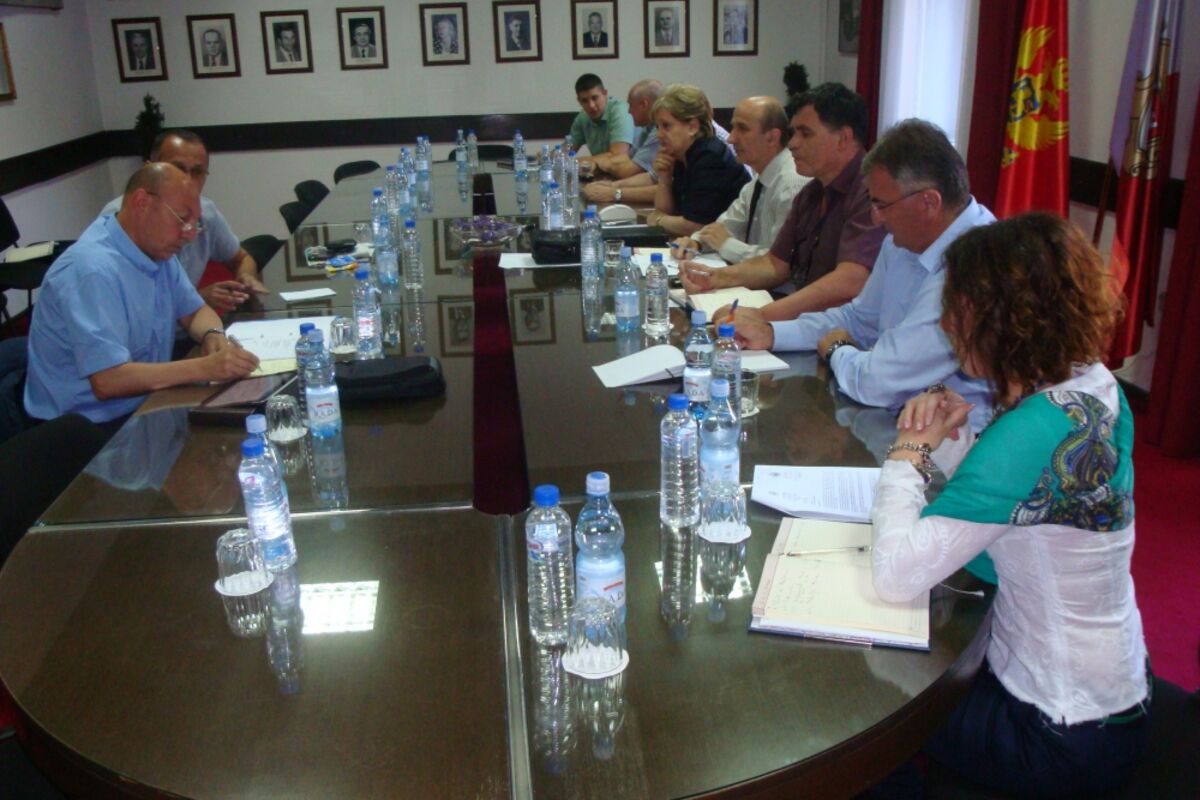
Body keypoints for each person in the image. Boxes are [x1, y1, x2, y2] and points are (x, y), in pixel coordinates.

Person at [871, 212, 1148, 798]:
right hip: (1113, 696)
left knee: (869, 710)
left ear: (999, 317)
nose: (946, 323)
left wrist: (907, 454)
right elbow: (1020, 498)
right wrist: (950, 438)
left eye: (956, 307)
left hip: (1053, 734)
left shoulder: (1031, 429)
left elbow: (895, 575)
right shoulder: (1094, 387)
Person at [733, 118, 994, 425]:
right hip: (897, 416)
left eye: (882, 205)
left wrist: (838, 348)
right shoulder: (902, 242)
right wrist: (773, 333)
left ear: (929, 202)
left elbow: (877, 382)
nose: (875, 218)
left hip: (959, 437)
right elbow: (858, 319)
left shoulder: (977, 264)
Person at [24, 163, 260, 429]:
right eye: (182, 219)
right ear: (141, 203)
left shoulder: (155, 249)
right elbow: (108, 381)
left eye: (195, 224)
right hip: (84, 426)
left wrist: (212, 334)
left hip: (145, 400)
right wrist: (206, 367)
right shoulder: (92, 271)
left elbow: (194, 311)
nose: (190, 235)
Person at [681, 83, 882, 314]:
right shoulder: (812, 192)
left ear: (843, 139)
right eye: (794, 133)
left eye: (805, 133)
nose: (793, 143)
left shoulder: (872, 191)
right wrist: (715, 277)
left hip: (846, 327)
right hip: (810, 318)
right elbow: (775, 264)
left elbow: (850, 281)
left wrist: (764, 317)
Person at [101, 130, 267, 315]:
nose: (186, 180)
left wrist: (245, 277)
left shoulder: (205, 212)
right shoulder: (125, 217)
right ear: (150, 170)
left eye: (197, 172)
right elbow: (131, 310)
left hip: (191, 325)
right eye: (177, 168)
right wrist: (196, 300)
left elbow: (241, 258)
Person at [670, 95, 807, 265]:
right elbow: (727, 224)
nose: (731, 138)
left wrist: (726, 245)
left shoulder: (791, 183)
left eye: (742, 129)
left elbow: (781, 262)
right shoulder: (759, 179)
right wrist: (696, 242)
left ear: (772, 138)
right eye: (733, 128)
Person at [645, 84, 750, 236]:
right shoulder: (682, 154)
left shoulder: (710, 157)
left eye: (666, 126)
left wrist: (659, 220)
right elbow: (666, 211)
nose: (659, 135)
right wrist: (665, 179)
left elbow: (695, 225)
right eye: (657, 127)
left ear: (692, 127)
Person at [568, 74, 634, 161]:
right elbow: (566, 151)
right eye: (584, 101)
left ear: (605, 93)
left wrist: (580, 161)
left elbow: (618, 156)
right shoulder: (582, 118)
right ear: (579, 101)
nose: (591, 105)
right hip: (603, 168)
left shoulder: (620, 111)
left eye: (595, 98)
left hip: (633, 168)